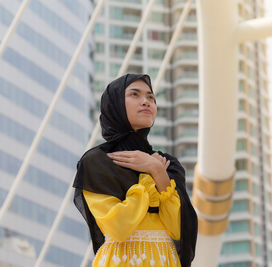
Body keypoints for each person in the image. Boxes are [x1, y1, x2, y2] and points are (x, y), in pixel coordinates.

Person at [73, 74, 198, 267]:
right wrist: (148, 179)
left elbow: (179, 229)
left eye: (151, 97)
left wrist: (157, 170)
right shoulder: (97, 162)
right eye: (135, 94)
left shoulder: (167, 164)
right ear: (114, 105)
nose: (146, 102)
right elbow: (118, 228)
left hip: (164, 260)